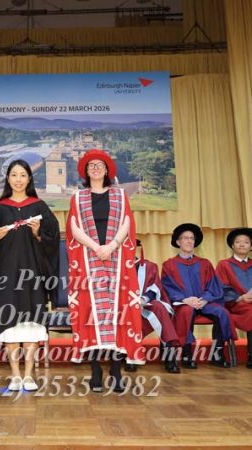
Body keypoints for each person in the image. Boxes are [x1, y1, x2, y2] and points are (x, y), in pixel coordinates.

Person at [66, 149, 143, 393]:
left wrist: (111, 246)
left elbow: (127, 222)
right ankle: (95, 370)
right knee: (90, 315)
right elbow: (74, 227)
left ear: (107, 169)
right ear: (86, 171)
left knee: (117, 314)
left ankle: (116, 370)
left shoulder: (120, 195)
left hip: (116, 260)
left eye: (100, 164)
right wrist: (95, 247)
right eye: (91, 165)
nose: (96, 168)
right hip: (88, 261)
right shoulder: (78, 197)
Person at [0, 159, 59, 391]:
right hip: (6, 274)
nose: (18, 180)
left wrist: (38, 233)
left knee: (31, 322)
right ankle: (15, 375)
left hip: (32, 273)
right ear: (8, 178)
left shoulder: (39, 206)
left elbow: (52, 239)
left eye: (23, 175)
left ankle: (28, 375)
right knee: (10, 323)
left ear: (29, 179)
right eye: (14, 175)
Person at [161, 223, 236, 369]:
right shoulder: (169, 265)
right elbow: (167, 286)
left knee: (222, 313)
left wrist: (205, 299)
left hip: (204, 302)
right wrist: (185, 299)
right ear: (178, 242)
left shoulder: (204, 263)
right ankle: (187, 355)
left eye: (192, 238)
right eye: (185, 238)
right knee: (186, 312)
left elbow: (213, 286)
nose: (189, 241)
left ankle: (217, 355)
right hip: (183, 303)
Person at [126, 239, 181, 374]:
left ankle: (169, 352)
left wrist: (143, 299)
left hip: (145, 304)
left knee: (159, 307)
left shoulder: (149, 266)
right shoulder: (114, 267)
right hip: (124, 308)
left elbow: (155, 287)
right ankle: (130, 356)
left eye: (131, 247)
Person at [216, 227, 252, 368]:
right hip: (234, 304)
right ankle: (251, 356)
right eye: (238, 242)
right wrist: (240, 298)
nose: (242, 244)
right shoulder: (224, 265)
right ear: (232, 245)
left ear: (251, 247)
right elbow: (221, 288)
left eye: (246, 242)